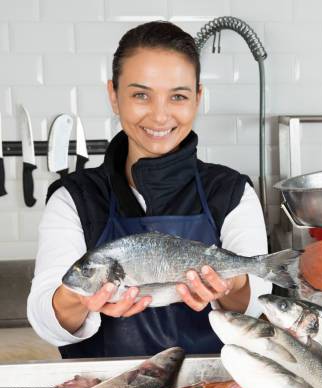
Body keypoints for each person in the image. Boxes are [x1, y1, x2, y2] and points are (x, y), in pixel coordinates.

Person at [27, 21, 271, 358]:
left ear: (198, 98)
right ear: (114, 95)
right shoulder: (74, 198)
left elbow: (258, 304)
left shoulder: (231, 192)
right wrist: (77, 299)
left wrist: (235, 283)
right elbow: (43, 314)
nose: (159, 116)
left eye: (178, 96)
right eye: (141, 94)